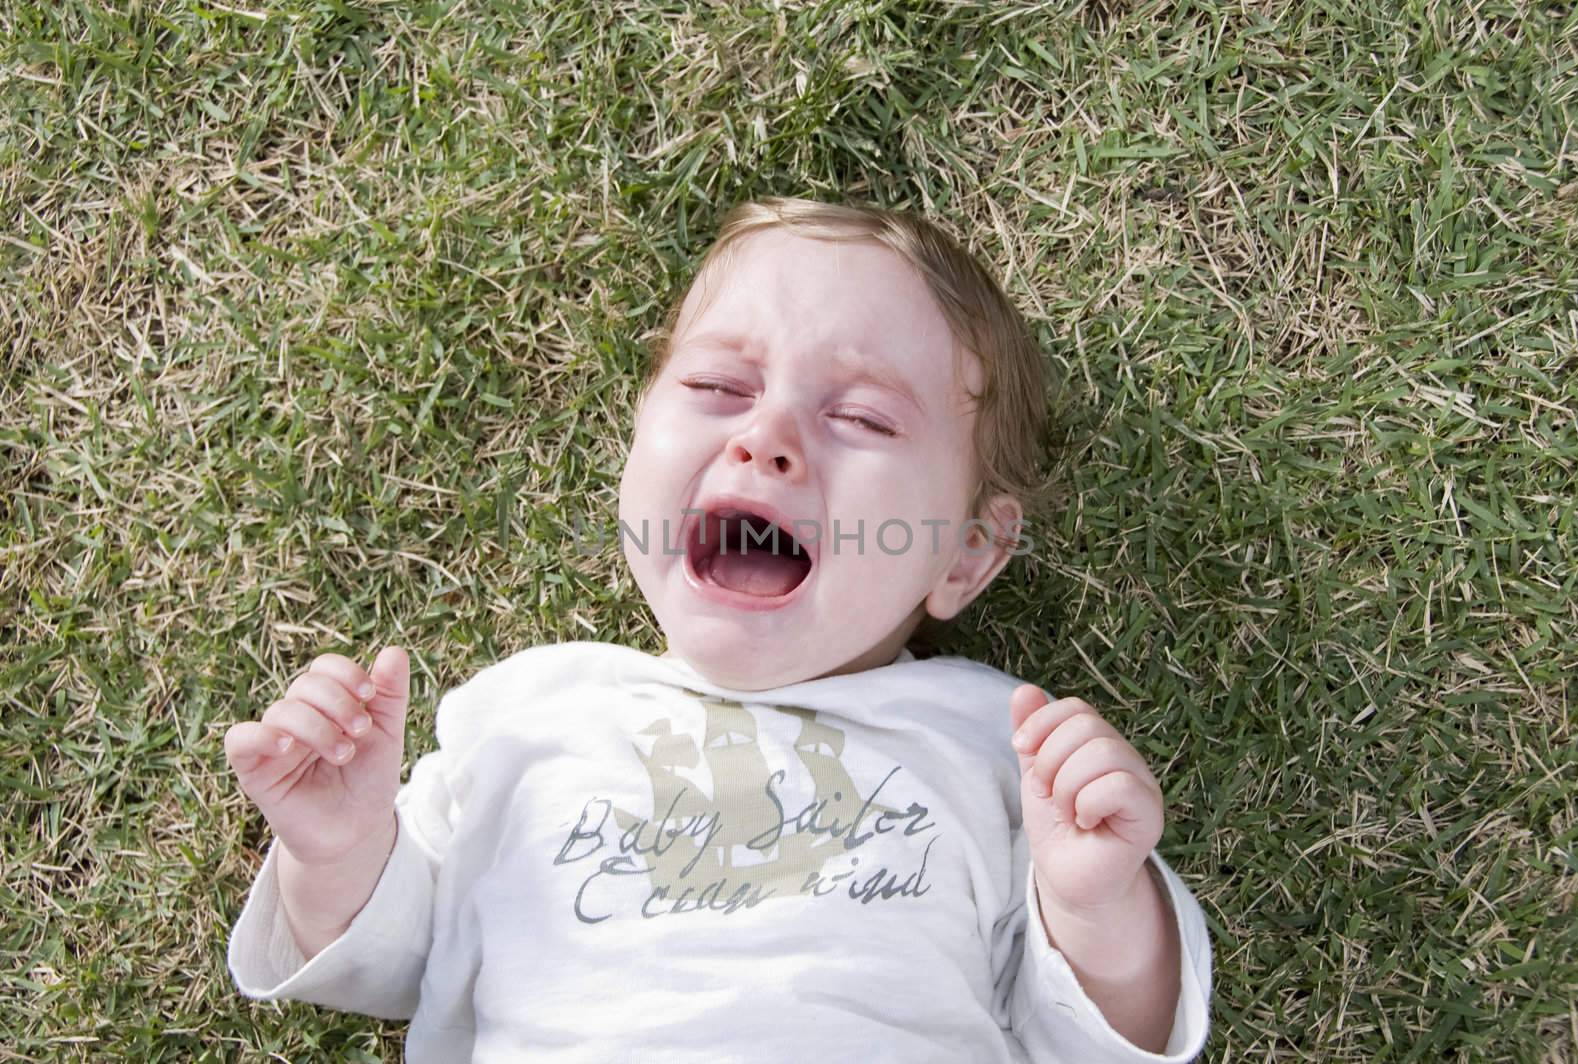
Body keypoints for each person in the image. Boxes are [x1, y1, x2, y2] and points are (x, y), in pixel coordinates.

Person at [224, 198, 1213, 1061]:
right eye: (717, 389)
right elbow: (389, 965)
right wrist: (341, 848)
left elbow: (1095, 1036)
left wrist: (1093, 907)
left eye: (863, 418)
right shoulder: (532, 713)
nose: (765, 436)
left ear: (961, 552)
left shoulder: (995, 743)